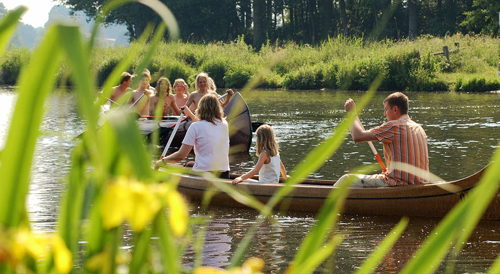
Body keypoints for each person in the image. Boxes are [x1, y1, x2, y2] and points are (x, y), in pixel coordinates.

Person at [335, 92, 429, 187]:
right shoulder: (419, 128)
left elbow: (358, 136)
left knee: (346, 180)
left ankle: (326, 201)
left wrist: (352, 113)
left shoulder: (393, 126)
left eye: (386, 109)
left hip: (397, 185)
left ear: (395, 109)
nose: (384, 114)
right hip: (419, 185)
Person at [156, 94, 230, 179]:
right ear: (218, 109)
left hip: (204, 175)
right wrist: (189, 114)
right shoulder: (224, 124)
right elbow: (206, 125)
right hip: (224, 175)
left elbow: (181, 155)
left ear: (200, 108)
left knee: (185, 165)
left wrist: (161, 162)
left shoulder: (195, 126)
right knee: (190, 164)